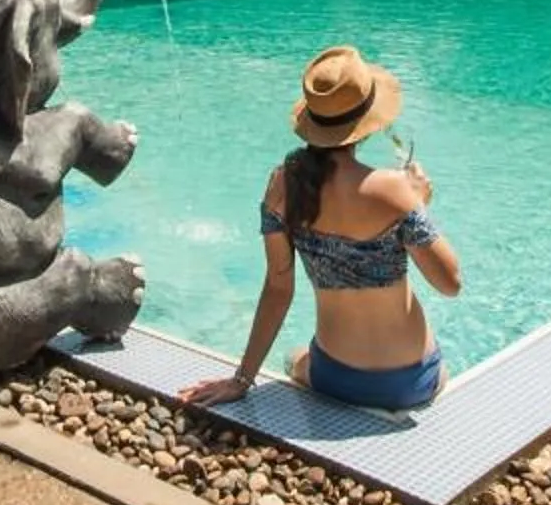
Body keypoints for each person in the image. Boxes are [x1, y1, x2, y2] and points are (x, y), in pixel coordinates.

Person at [178, 44, 461, 413]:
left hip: (333, 376)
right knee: (448, 371)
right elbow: (450, 284)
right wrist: (418, 204)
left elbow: (278, 290)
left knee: (293, 357)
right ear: (365, 126)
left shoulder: (281, 187)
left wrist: (241, 380)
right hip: (412, 382)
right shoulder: (394, 191)